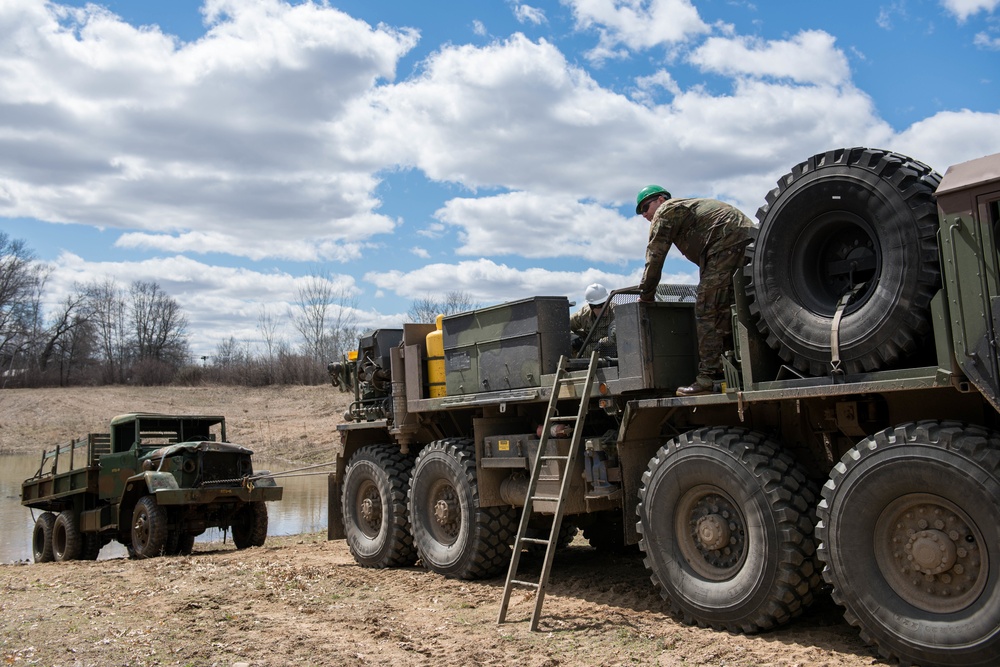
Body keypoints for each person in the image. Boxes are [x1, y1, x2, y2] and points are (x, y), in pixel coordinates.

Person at [635, 185, 754, 396]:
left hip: (726, 242)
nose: (644, 214)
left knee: (706, 307)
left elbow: (655, 256)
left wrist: (646, 295)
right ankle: (734, 369)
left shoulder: (666, 211)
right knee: (730, 307)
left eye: (645, 206)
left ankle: (708, 378)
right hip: (743, 241)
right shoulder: (685, 210)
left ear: (661, 200)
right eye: (641, 212)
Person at [570, 283, 615, 356]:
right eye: (599, 306)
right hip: (587, 355)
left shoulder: (616, 312)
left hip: (610, 354)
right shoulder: (584, 314)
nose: (605, 308)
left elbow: (620, 336)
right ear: (591, 307)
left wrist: (602, 342)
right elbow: (564, 325)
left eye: (606, 303)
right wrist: (574, 337)